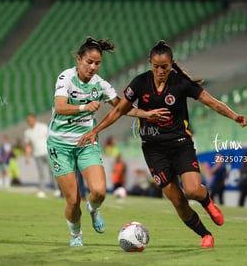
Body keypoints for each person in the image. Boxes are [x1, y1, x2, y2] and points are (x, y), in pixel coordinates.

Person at [78, 40, 247, 249]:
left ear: (171, 64)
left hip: (180, 145)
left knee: (193, 191)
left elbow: (212, 102)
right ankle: (205, 235)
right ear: (150, 64)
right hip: (153, 150)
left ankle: (207, 202)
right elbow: (118, 111)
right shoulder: (140, 83)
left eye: (164, 67)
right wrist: (95, 130)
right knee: (178, 201)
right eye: (156, 67)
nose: (160, 71)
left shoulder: (181, 83)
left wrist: (234, 116)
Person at [46, 37, 163, 247]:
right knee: (73, 200)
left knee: (99, 192)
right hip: (60, 145)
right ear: (79, 58)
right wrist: (84, 107)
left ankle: (93, 209)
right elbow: (61, 106)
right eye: (89, 61)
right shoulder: (66, 77)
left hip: (86, 143)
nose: (92, 67)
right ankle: (76, 235)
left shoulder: (100, 85)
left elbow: (122, 108)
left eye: (97, 63)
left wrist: (146, 114)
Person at [25, 113, 61, 198]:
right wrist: (27, 157)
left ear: (34, 119)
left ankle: (57, 189)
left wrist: (54, 150)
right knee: (41, 173)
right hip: (37, 154)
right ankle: (42, 190)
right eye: (28, 121)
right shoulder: (27, 132)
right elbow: (28, 145)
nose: (30, 122)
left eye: (31, 120)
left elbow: (51, 138)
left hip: (47, 152)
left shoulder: (43, 127)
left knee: (52, 171)